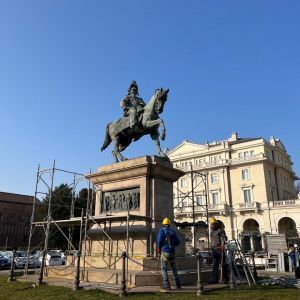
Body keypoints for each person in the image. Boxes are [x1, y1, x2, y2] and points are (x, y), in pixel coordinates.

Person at [156, 217, 181, 292]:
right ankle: (178, 284)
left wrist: (159, 250)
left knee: (164, 268)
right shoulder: (172, 231)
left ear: (163, 224)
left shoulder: (162, 231)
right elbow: (178, 242)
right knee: (174, 268)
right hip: (172, 252)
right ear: (169, 224)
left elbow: (159, 241)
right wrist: (172, 244)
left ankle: (166, 285)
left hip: (165, 252)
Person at [208, 217, 229, 284]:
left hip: (219, 249)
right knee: (215, 265)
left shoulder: (220, 231)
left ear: (216, 224)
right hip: (214, 249)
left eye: (212, 224)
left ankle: (225, 278)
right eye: (211, 224)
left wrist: (223, 242)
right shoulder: (212, 231)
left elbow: (224, 238)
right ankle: (214, 278)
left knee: (223, 264)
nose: (211, 225)